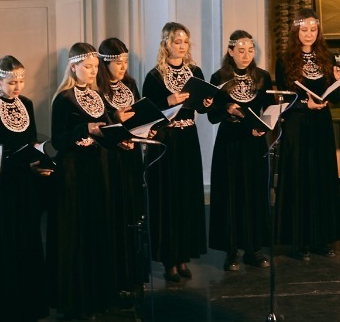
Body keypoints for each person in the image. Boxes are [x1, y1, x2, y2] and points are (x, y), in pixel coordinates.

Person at [0, 55, 52, 321]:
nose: (17, 87)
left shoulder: (27, 104)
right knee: (7, 241)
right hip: (5, 186)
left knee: (28, 238)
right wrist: (21, 162)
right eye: (11, 82)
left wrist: (38, 158)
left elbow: (30, 140)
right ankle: (8, 307)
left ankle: (31, 303)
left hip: (26, 182)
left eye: (21, 81)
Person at [141, 22, 213, 282]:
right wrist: (167, 102)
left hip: (187, 139)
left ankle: (183, 256)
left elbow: (203, 107)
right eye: (176, 41)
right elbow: (147, 112)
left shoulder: (194, 71)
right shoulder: (154, 76)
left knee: (186, 195)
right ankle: (169, 259)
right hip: (166, 140)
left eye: (185, 42)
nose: (181, 46)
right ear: (166, 44)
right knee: (168, 198)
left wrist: (206, 103)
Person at [274, 7, 340, 259]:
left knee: (321, 179)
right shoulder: (284, 60)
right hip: (297, 126)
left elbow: (335, 98)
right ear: (296, 31)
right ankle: (299, 242)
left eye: (313, 29)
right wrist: (306, 104)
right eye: (304, 30)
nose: (309, 34)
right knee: (300, 180)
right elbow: (284, 98)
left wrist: (338, 81)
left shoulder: (326, 56)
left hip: (320, 126)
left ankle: (320, 239)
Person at [49, 43, 112, 318]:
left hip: (95, 168)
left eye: (96, 67)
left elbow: (106, 127)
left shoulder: (98, 96)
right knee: (73, 232)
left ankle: (95, 293)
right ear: (74, 67)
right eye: (88, 67)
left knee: (93, 228)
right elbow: (59, 140)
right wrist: (83, 128)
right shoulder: (63, 99)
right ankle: (72, 298)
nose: (93, 71)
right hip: (73, 171)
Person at [209, 29, 275, 270]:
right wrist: (226, 108)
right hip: (229, 144)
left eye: (250, 50)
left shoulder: (263, 76)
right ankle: (231, 251)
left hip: (254, 142)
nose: (246, 55)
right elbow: (211, 116)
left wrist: (265, 126)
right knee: (231, 194)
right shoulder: (218, 78)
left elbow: (269, 109)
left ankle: (253, 248)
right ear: (230, 52)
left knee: (255, 193)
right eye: (240, 51)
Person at [98, 37, 149, 294]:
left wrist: (143, 130)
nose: (122, 67)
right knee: (115, 211)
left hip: (131, 155)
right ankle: (116, 275)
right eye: (118, 62)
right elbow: (101, 123)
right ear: (105, 63)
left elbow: (139, 114)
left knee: (133, 209)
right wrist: (116, 124)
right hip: (111, 157)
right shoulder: (98, 87)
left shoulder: (130, 83)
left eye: (125, 62)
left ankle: (135, 272)